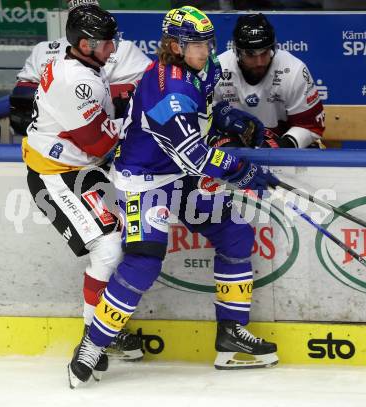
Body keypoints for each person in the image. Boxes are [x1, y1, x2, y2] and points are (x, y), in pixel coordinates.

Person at [67, 6, 280, 389]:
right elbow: (195, 154)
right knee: (143, 262)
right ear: (174, 46)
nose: (205, 49)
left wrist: (224, 118)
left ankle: (231, 333)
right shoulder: (168, 91)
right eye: (196, 43)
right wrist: (243, 171)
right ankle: (92, 344)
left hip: (176, 174)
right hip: (144, 181)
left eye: (208, 41)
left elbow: (206, 114)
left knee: (235, 233)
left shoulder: (205, 68)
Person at [22, 4, 144, 368]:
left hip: (78, 169)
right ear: (85, 44)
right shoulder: (77, 81)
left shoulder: (82, 66)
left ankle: (103, 329)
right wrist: (139, 124)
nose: (114, 48)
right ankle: (95, 337)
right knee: (107, 250)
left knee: (116, 243)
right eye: (107, 42)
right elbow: (101, 144)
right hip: (55, 175)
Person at [10, 0, 151, 137]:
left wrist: (121, 99)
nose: (112, 49)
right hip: (69, 147)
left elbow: (152, 88)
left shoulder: (119, 51)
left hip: (92, 139)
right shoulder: (45, 51)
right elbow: (20, 102)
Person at [214, 13, 325, 148]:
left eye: (265, 52)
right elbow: (204, 122)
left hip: (284, 151)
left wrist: (284, 145)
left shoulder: (294, 70)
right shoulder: (217, 69)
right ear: (237, 51)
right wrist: (222, 142)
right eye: (250, 54)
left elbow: (311, 126)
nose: (259, 62)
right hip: (236, 151)